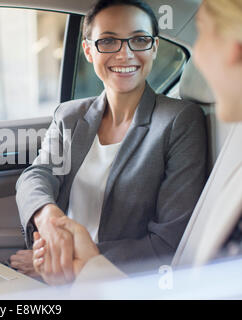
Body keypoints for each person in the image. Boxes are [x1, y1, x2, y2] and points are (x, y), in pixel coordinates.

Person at [33, 0, 242, 284]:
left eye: (140, 40)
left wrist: (70, 259)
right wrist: (46, 217)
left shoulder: (179, 120)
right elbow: (37, 175)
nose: (125, 53)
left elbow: (168, 242)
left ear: (154, 47)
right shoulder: (69, 115)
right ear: (87, 50)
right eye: (108, 41)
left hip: (118, 277)